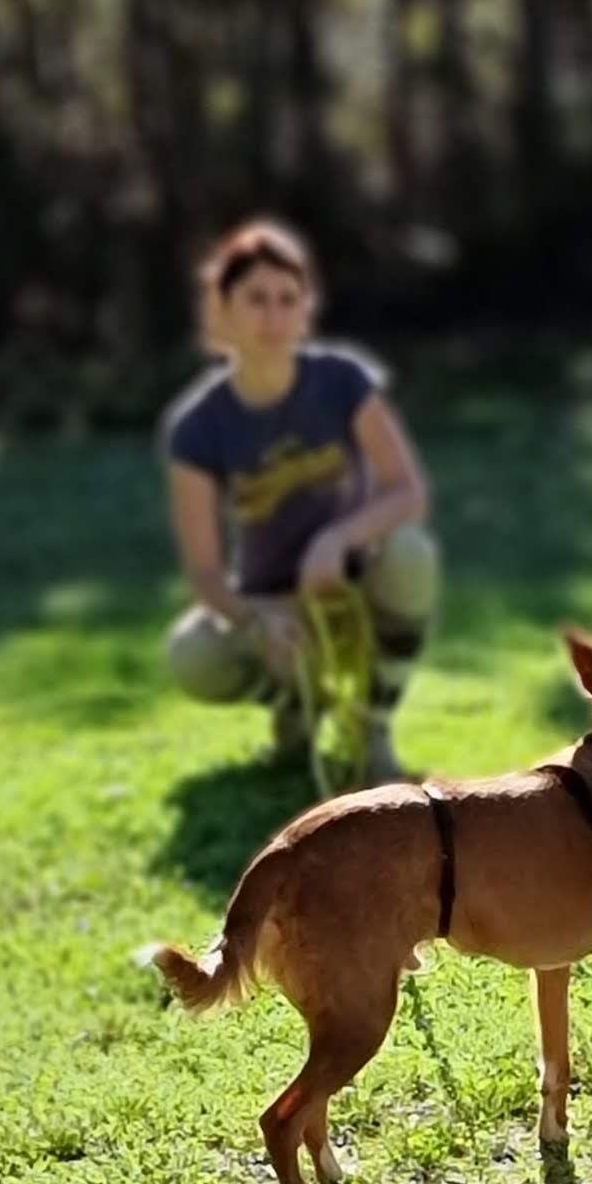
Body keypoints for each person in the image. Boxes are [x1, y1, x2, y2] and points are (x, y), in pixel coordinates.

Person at [159, 217, 439, 784]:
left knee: (411, 552)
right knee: (189, 652)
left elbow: (409, 492)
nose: (274, 316)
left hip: (349, 582)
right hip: (273, 599)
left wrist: (337, 539)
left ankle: (373, 725)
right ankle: (295, 705)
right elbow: (206, 574)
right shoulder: (195, 427)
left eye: (289, 299)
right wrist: (256, 618)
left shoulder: (342, 381)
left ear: (307, 308)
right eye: (256, 299)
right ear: (223, 308)